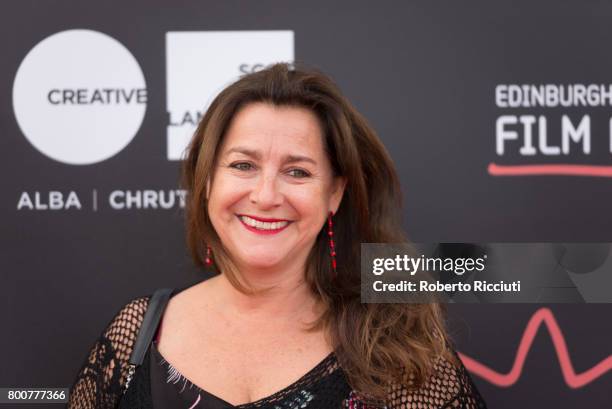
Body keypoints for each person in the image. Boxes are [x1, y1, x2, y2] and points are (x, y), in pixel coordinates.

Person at [67, 63, 487, 408]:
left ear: (334, 193)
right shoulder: (138, 331)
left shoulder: (390, 341)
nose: (266, 196)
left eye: (297, 172)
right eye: (243, 165)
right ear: (207, 180)